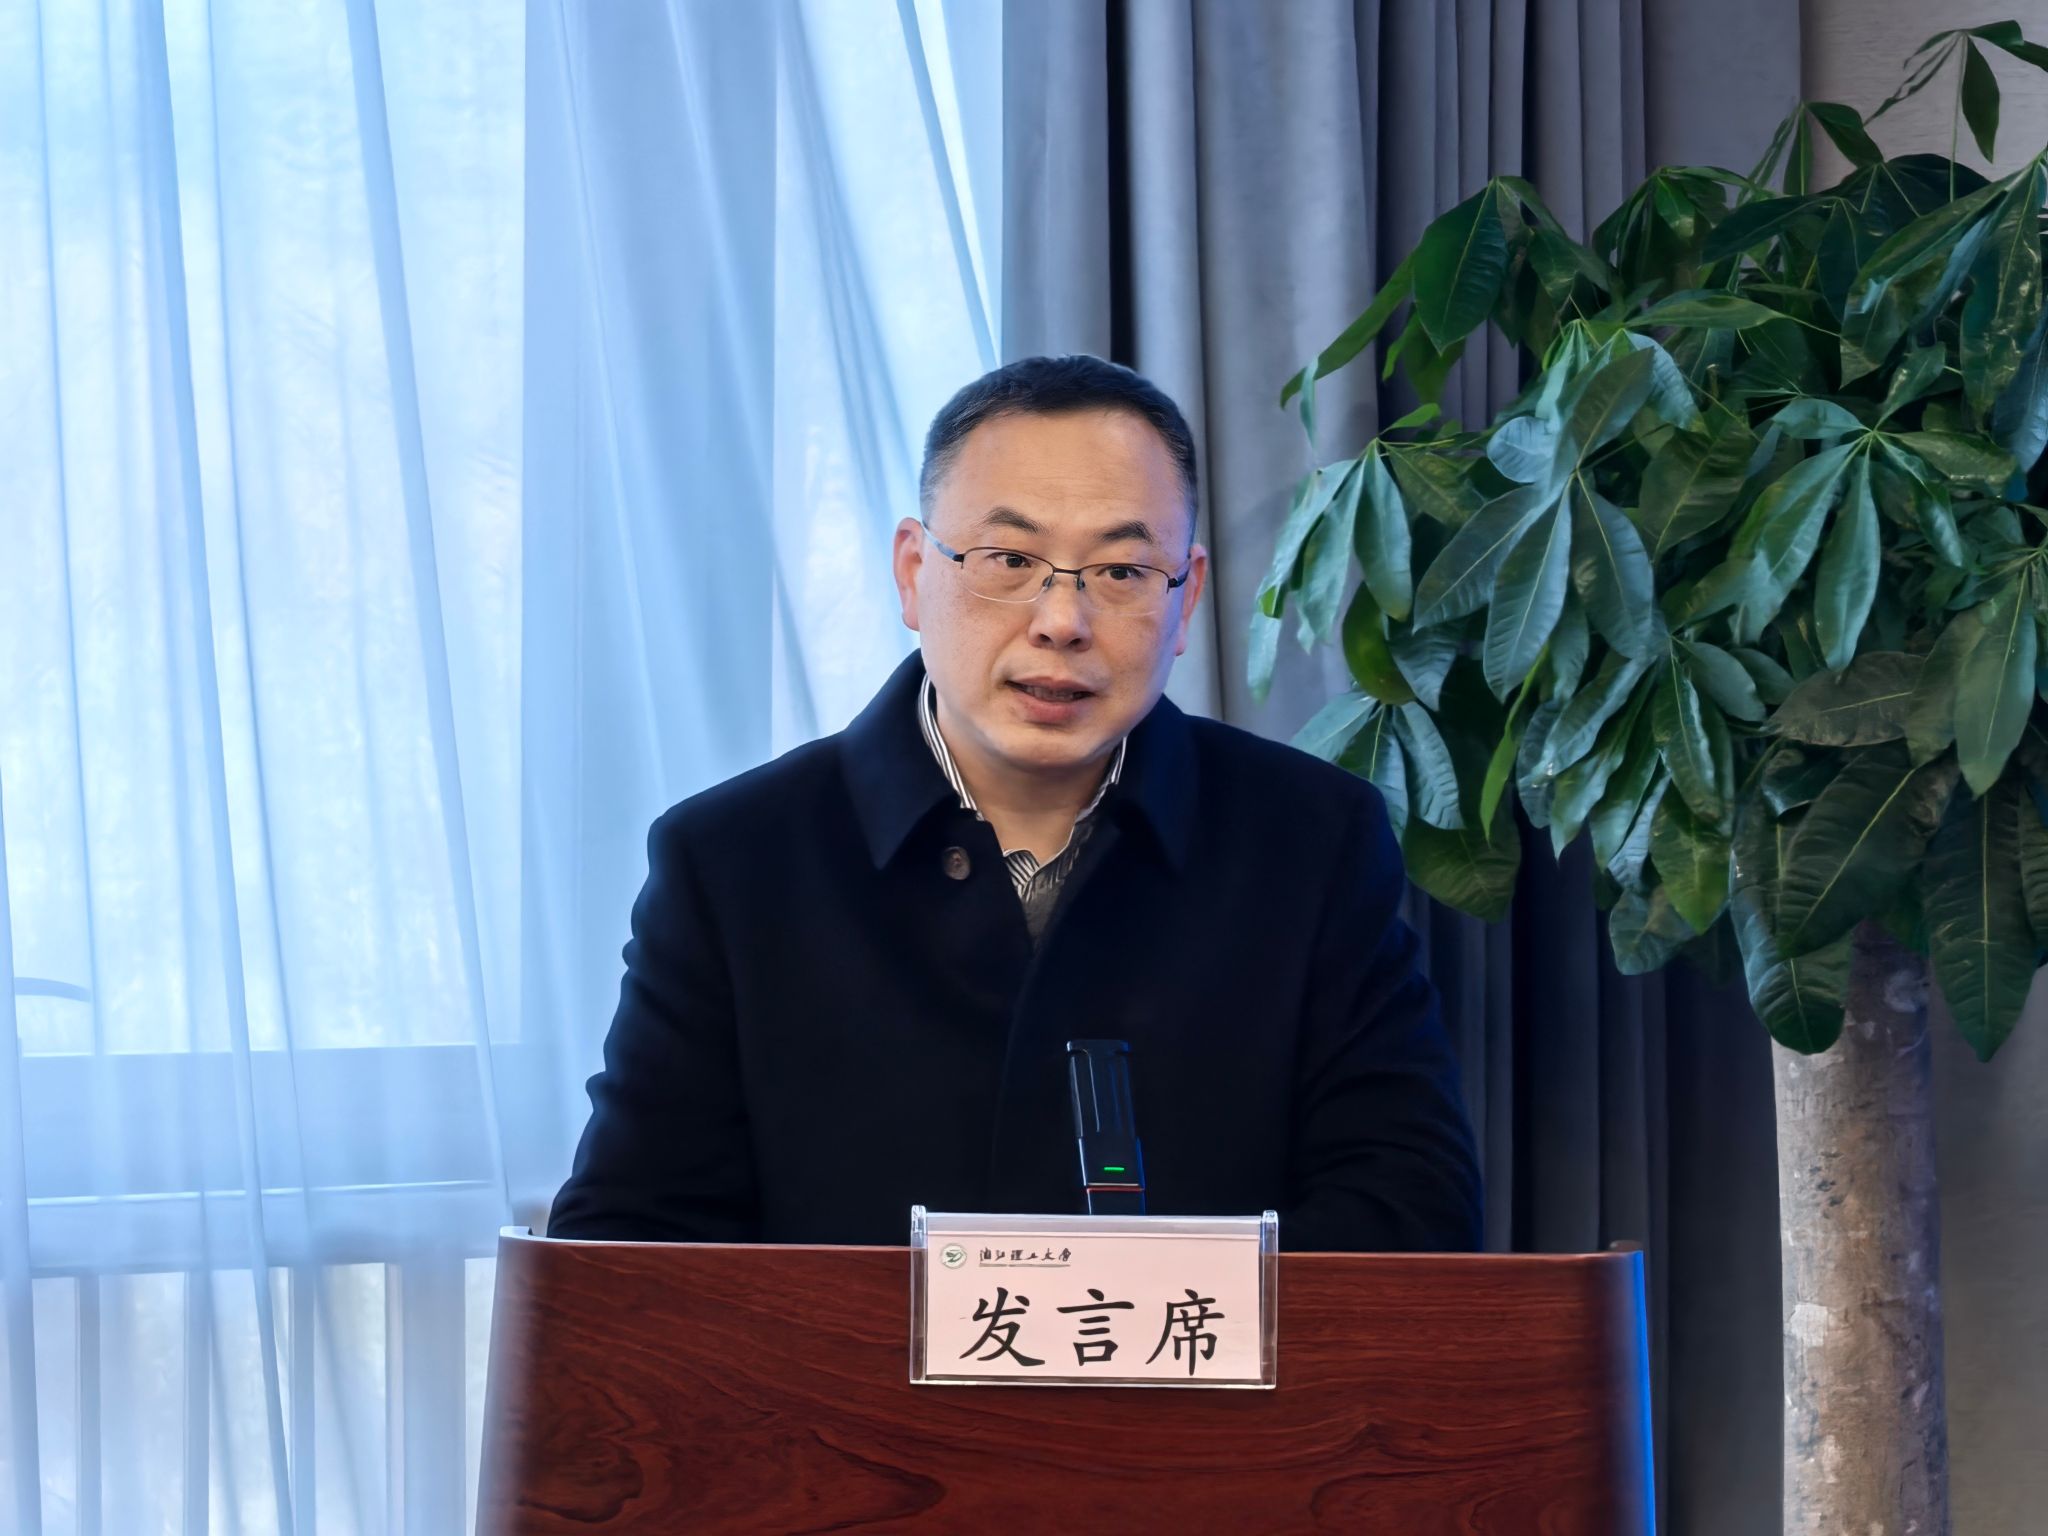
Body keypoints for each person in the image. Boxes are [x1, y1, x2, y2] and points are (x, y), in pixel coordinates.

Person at [547, 354, 1482, 1252]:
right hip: (840, 1378)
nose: (1061, 621)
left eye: (1121, 572)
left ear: (1186, 596)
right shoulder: (733, 862)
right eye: (1008, 558)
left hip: (1202, 1375)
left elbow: (1410, 1216)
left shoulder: (1309, 842)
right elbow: (630, 1248)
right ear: (913, 572)